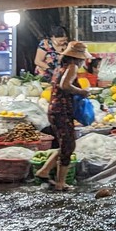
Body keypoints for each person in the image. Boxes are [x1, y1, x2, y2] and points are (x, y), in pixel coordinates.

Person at [34, 41, 91, 191]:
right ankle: (60, 183)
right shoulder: (72, 67)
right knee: (69, 145)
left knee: (65, 144)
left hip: (56, 109)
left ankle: (44, 171)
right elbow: (65, 86)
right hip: (61, 111)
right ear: (78, 58)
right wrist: (82, 92)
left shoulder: (61, 67)